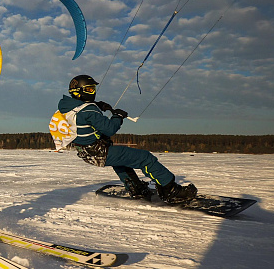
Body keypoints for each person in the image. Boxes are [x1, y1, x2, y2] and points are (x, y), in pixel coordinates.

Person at [57, 75, 197, 204]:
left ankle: (136, 188)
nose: (92, 91)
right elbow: (110, 129)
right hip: (100, 151)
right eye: (88, 89)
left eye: (93, 88)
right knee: (145, 158)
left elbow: (81, 115)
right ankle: (171, 190)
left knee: (122, 161)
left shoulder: (67, 107)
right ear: (77, 91)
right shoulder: (89, 110)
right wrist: (118, 116)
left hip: (86, 153)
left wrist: (97, 105)